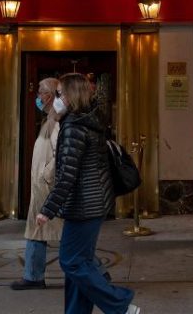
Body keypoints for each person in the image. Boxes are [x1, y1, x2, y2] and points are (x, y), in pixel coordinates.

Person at [37, 73, 141, 314]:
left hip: (83, 205)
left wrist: (48, 209)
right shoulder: (89, 122)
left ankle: (121, 305)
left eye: (59, 94)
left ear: (71, 96)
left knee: (71, 261)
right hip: (93, 203)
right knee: (79, 263)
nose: (56, 99)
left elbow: (68, 175)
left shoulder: (73, 128)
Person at [11, 77, 62, 290]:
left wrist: (46, 175)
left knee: (48, 230)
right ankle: (33, 275)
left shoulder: (57, 121)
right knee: (42, 230)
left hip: (47, 186)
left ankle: (33, 276)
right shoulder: (50, 119)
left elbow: (60, 153)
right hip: (43, 186)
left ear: (50, 95)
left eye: (41, 92)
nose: (38, 96)